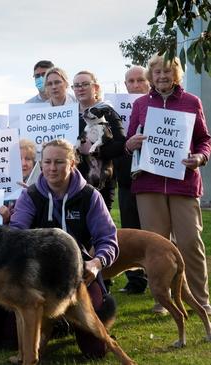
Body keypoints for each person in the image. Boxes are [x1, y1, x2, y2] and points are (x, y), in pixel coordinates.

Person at [10, 139, 119, 358]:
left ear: (72, 164)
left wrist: (96, 264)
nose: (52, 168)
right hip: (39, 278)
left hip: (79, 276)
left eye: (59, 162)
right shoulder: (30, 196)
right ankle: (56, 325)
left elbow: (109, 239)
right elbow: (16, 234)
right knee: (7, 337)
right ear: (41, 164)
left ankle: (96, 311)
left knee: (96, 351)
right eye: (47, 162)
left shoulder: (90, 196)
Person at [125, 54, 211, 314]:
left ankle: (200, 300)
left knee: (190, 242)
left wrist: (200, 157)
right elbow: (129, 141)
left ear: (176, 74)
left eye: (168, 72)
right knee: (157, 246)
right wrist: (132, 144)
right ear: (151, 76)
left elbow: (204, 140)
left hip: (183, 183)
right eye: (157, 72)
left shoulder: (191, 102)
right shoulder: (140, 104)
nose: (162, 76)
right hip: (149, 184)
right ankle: (163, 300)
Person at [117, 65, 150, 295]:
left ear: (148, 83)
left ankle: (160, 274)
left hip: (152, 178)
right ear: (125, 84)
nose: (136, 85)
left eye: (140, 80)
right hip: (126, 178)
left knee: (153, 229)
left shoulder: (154, 105)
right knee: (130, 229)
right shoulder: (112, 109)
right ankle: (135, 281)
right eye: (131, 81)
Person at [73, 70, 126, 210]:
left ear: (95, 88)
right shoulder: (68, 115)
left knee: (100, 230)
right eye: (76, 85)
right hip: (72, 182)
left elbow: (121, 145)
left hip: (100, 183)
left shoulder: (107, 112)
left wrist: (95, 150)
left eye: (85, 84)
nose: (80, 88)